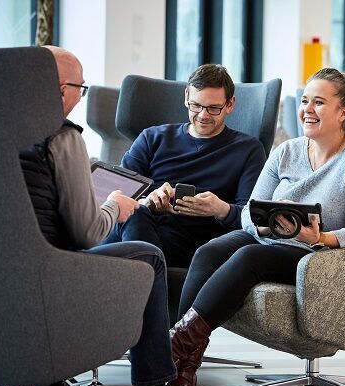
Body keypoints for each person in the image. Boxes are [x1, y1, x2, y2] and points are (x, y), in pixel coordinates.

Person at [161, 68, 345, 386]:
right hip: (267, 238)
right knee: (209, 250)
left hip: (315, 255)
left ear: (343, 112)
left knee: (250, 257)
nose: (307, 109)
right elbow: (249, 210)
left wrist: (320, 239)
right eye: (305, 100)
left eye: (319, 102)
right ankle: (184, 365)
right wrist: (265, 221)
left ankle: (175, 348)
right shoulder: (287, 150)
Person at [20, 46, 175, 386]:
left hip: (4, 277)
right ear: (61, 89)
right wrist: (111, 205)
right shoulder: (62, 136)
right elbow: (87, 233)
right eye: (81, 87)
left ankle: (48, 385)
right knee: (150, 256)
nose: (80, 95)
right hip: (50, 274)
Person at [102, 64, 267, 272]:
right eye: (196, 105)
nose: (203, 115)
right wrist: (147, 202)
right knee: (134, 212)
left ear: (230, 104)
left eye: (213, 108)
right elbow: (117, 195)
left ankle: (140, 291)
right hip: (141, 226)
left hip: (192, 244)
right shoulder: (152, 138)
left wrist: (221, 209)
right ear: (186, 96)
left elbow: (252, 218)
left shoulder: (248, 149)